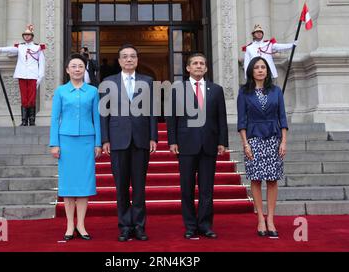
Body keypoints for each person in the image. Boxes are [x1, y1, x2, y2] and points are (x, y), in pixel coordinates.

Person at [166, 53, 229, 240]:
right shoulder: (178, 90)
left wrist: (222, 142)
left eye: (202, 63)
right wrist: (172, 141)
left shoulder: (216, 90)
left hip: (209, 145)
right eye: (195, 63)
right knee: (186, 188)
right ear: (188, 68)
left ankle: (205, 225)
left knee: (207, 189)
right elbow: (172, 118)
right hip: (186, 145)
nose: (199, 66)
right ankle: (190, 226)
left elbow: (221, 119)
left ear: (207, 68)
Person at [100, 44, 158, 242]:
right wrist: (105, 139)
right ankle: (125, 226)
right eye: (124, 57)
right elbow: (103, 113)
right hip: (117, 140)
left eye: (132, 56)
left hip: (141, 139)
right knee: (122, 187)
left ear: (137, 60)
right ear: (119, 61)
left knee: (140, 187)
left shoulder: (148, 81)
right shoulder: (108, 82)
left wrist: (153, 137)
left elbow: (152, 111)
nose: (129, 60)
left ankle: (140, 226)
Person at [49, 53, 102, 241]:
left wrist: (98, 143)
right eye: (73, 66)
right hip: (66, 141)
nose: (77, 69)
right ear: (67, 70)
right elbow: (55, 119)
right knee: (69, 185)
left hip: (87, 141)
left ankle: (81, 224)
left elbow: (97, 118)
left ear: (84, 69)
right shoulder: (61, 92)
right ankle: (70, 225)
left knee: (84, 185)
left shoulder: (93, 91)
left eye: (80, 66)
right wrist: (54, 143)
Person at [237, 56, 288, 238]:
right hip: (254, 140)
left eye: (263, 67)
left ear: (267, 71)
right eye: (257, 67)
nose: (260, 70)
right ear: (251, 70)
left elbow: (283, 117)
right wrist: (245, 144)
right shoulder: (244, 92)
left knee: (273, 180)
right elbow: (241, 120)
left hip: (274, 139)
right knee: (256, 179)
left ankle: (271, 219)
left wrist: (283, 141)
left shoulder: (276, 91)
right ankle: (260, 218)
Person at [0, 24, 45, 126]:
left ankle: (32, 121)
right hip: (22, 74)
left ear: (32, 36)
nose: (27, 37)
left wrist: (40, 76)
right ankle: (24, 121)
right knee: (24, 98)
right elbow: (9, 49)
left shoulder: (38, 48)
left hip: (33, 76)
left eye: (28, 35)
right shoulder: (20, 47)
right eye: (25, 35)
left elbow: (42, 63)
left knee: (31, 98)